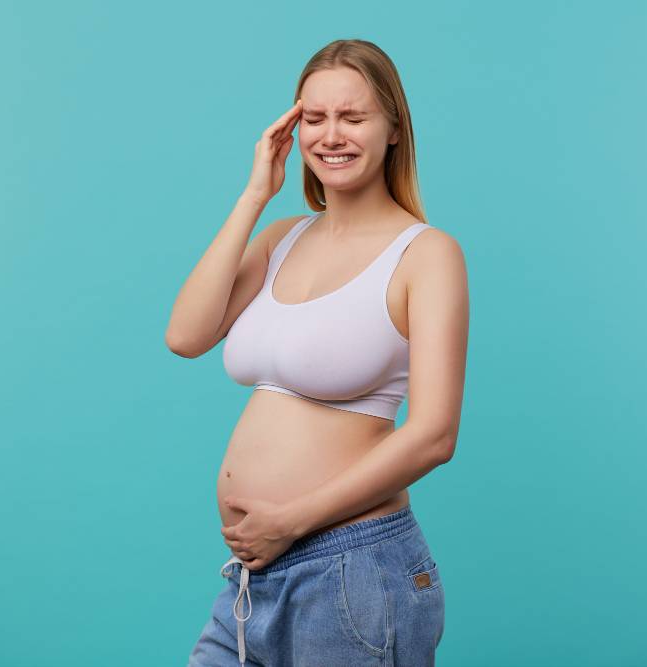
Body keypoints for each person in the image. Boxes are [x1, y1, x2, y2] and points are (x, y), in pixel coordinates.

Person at [166, 38, 469, 666]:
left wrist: (293, 521)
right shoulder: (282, 237)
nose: (332, 135)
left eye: (353, 117)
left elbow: (434, 435)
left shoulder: (425, 255)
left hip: (354, 573)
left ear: (392, 128)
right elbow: (186, 336)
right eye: (314, 117)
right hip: (255, 579)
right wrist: (256, 194)